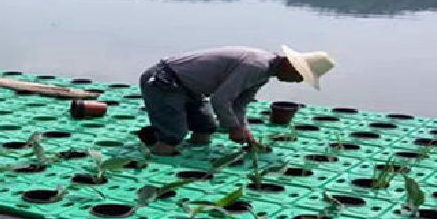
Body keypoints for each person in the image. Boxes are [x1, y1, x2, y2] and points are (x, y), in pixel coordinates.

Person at [137, 45, 336, 156]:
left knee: (206, 128)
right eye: (300, 76)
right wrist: (233, 128)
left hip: (189, 88)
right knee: (174, 135)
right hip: (164, 82)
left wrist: (244, 129)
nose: (298, 81)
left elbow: (239, 104)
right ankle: (159, 152)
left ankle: (188, 157)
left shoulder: (265, 73)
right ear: (292, 66)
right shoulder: (257, 65)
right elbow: (220, 99)